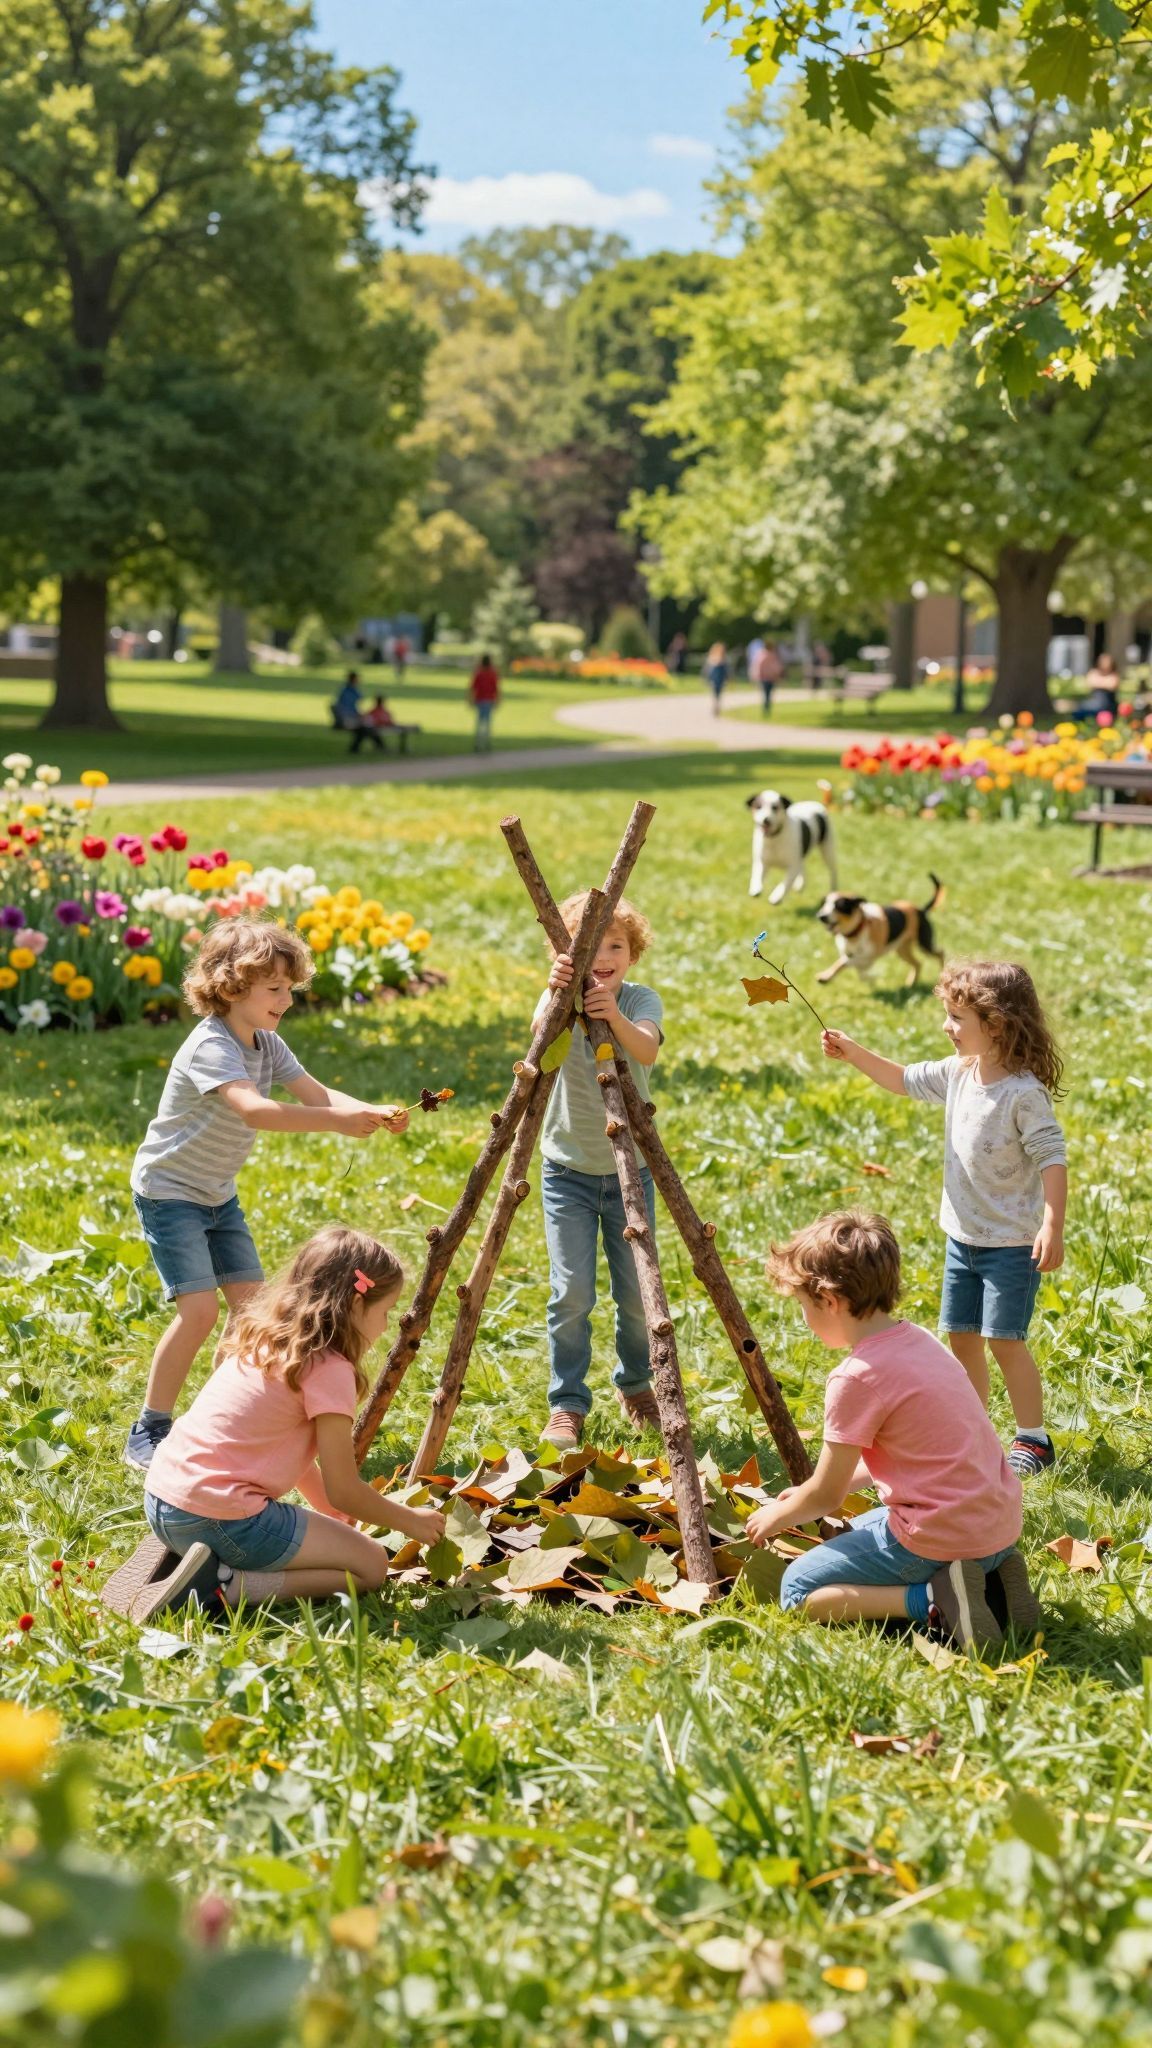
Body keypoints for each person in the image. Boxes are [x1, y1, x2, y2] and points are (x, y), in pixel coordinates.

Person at [126, 919, 409, 1472]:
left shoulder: (267, 1043)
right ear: (231, 987)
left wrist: (368, 1109)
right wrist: (336, 1122)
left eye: (290, 988)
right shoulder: (211, 1045)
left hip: (217, 1195)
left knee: (253, 1313)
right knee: (199, 1312)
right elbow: (254, 1110)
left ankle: (220, 1419)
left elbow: (317, 1093)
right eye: (275, 988)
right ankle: (151, 1426)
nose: (287, 999)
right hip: (170, 1192)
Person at [821, 961, 1067, 1479]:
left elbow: (1052, 1158)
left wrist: (1052, 1224)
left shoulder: (1022, 1093)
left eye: (957, 1018)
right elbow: (902, 1079)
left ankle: (1034, 1438)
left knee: (1005, 1340)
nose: (946, 1026)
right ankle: (973, 1429)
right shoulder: (959, 1073)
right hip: (962, 1237)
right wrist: (853, 1052)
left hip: (1011, 1243)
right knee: (961, 1336)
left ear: (996, 1024)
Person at [744, 1212, 1033, 1651]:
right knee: (856, 1527)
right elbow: (911, 1458)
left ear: (830, 1300)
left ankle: (932, 1599)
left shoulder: (855, 1377)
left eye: (803, 1305)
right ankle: (995, 1584)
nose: (803, 1318)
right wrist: (805, 1494)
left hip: (941, 1536)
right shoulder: (920, 1341)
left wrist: (776, 1517)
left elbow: (826, 1496)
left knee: (797, 1589)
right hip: (997, 1524)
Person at [132, 1227, 446, 1618]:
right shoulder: (331, 1370)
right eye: (384, 1312)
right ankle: (226, 1585)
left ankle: (191, 1556)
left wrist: (325, 1509)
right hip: (220, 1518)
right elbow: (344, 1490)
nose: (385, 1326)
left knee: (335, 1544)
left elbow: (280, 1451)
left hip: (162, 1499)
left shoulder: (262, 1339)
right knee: (371, 1565)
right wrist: (410, 1521)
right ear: (355, 1304)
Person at [535, 895, 663, 1450]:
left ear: (633, 953)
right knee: (571, 1293)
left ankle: (636, 1384)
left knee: (636, 1294)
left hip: (630, 1172)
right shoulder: (558, 998)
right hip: (568, 1172)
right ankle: (567, 1401)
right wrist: (557, 995)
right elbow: (538, 1042)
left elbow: (647, 1049)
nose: (605, 958)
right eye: (592, 947)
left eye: (617, 946)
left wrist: (613, 1015)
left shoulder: (639, 999)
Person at [1073, 651, 1121, 722]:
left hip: (1107, 704)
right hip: (1093, 701)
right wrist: (1105, 682)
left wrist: (1098, 682)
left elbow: (1112, 685)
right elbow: (1089, 683)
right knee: (1080, 709)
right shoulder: (1093, 672)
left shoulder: (1114, 675)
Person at [469, 652, 500, 752]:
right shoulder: (492, 673)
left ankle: (478, 743)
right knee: (487, 723)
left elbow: (473, 687)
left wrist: (470, 699)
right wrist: (497, 700)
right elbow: (496, 688)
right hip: (488, 700)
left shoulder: (479, 672)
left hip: (480, 700)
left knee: (480, 723)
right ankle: (486, 743)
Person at [753, 640, 784, 715]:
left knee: (767, 694)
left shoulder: (763, 654)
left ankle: (766, 708)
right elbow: (776, 667)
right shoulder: (768, 655)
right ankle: (766, 708)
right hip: (767, 677)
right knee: (767, 694)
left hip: (768, 677)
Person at [704, 640, 728, 717]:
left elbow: (726, 671)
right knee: (716, 694)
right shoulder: (713, 659)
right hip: (715, 680)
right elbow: (708, 671)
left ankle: (716, 707)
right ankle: (716, 707)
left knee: (717, 694)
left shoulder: (722, 660)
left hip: (719, 680)